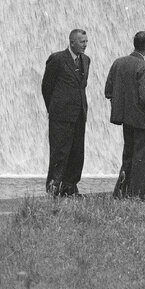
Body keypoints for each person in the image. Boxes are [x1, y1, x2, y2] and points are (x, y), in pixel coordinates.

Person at [104, 30, 145, 200]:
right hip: (144, 119)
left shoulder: (118, 63)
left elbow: (108, 91)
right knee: (142, 158)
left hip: (126, 118)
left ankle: (121, 192)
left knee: (128, 155)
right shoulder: (144, 67)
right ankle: (138, 195)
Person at [41, 28, 90, 196]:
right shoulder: (57, 59)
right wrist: (53, 109)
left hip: (79, 115)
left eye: (86, 41)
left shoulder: (86, 60)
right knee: (59, 153)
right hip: (60, 116)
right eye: (82, 42)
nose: (85, 45)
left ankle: (70, 188)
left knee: (77, 153)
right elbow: (46, 87)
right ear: (72, 42)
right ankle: (53, 189)